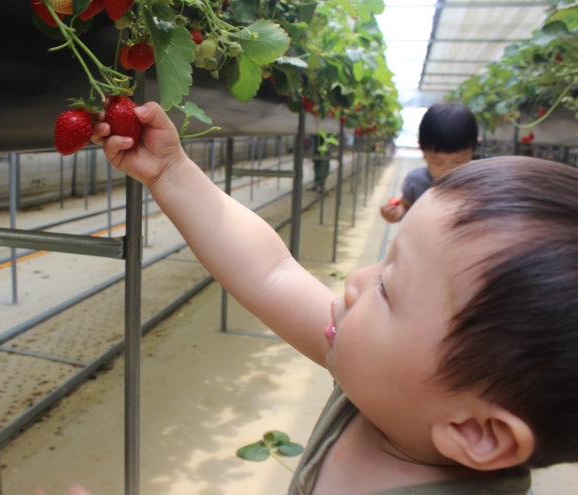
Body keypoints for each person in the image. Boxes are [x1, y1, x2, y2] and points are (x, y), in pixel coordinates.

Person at [78, 101, 578, 494]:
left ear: (478, 433)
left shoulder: (389, 385)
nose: (357, 280)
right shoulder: (395, 391)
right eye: (383, 262)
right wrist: (171, 173)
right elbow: (270, 272)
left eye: (387, 288)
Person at [380, 101, 478, 223]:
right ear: (422, 151)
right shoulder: (417, 182)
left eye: (458, 161)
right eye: (438, 162)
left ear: (473, 150)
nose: (448, 170)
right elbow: (405, 205)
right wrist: (397, 212)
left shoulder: (481, 183)